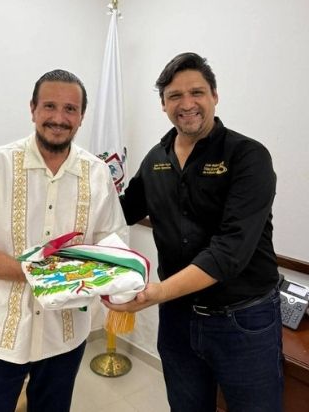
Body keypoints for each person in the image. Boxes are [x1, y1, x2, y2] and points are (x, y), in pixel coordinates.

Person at [105, 52, 282, 411]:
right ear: (163, 104)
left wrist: (154, 294)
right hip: (178, 319)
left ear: (215, 95)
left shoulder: (248, 156)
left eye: (197, 93)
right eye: (175, 96)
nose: (187, 104)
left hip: (243, 320)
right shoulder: (156, 157)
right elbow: (122, 211)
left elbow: (229, 252)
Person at [0, 69, 127, 412]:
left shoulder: (98, 173)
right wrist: (49, 275)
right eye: (50, 106)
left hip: (65, 335)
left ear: (82, 116)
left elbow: (112, 244)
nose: (59, 118)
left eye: (70, 109)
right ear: (33, 109)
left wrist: (119, 277)